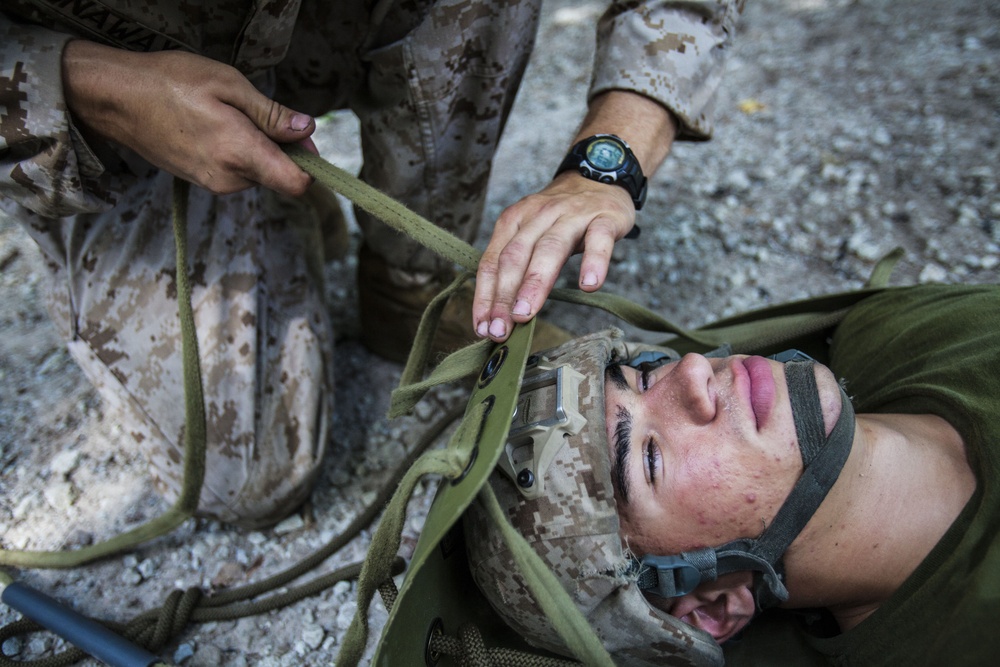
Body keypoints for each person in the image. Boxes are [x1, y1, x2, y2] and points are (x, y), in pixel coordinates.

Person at [0, 1, 742, 526]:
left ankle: (411, 285)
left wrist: (609, 159)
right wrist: (91, 87)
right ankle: (269, 203)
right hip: (107, 92)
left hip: (334, 19)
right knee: (248, 479)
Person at [464, 282, 999, 666]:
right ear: (714, 605)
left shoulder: (899, 329)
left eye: (646, 375)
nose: (694, 371)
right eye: (650, 459)